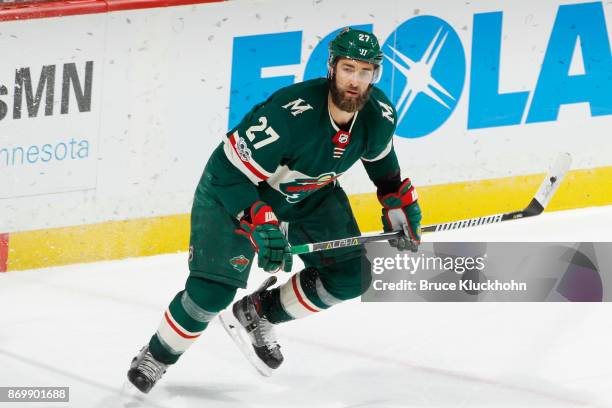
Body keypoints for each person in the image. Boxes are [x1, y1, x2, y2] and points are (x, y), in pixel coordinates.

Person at [127, 27, 422, 392]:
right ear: (332, 67)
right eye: (348, 69)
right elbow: (226, 173)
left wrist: (395, 199)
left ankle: (259, 312)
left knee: (350, 276)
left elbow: (382, 163)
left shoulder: (379, 114)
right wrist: (259, 219)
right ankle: (157, 355)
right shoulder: (289, 115)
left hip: (309, 196)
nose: (355, 81)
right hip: (233, 193)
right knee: (212, 291)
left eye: (365, 72)